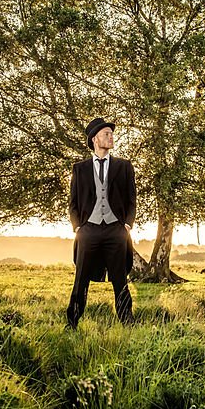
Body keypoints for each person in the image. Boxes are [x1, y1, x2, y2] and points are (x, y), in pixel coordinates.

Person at [65, 117, 136, 329]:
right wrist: (78, 227)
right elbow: (73, 202)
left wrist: (127, 224)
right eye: (107, 133)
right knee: (81, 280)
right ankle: (72, 322)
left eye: (111, 134)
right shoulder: (80, 168)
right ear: (95, 138)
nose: (111, 137)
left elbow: (132, 198)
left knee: (120, 279)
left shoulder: (124, 166)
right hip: (89, 230)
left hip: (116, 229)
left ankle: (127, 321)